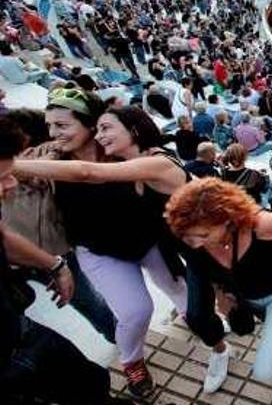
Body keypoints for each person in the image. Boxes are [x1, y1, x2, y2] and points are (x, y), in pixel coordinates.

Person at [13, 105, 190, 399]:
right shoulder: (49, 159)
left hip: (146, 240)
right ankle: (132, 360)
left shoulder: (124, 150)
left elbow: (90, 171)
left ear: (89, 124)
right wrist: (14, 167)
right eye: (49, 126)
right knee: (136, 310)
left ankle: (189, 315)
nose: (54, 133)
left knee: (177, 286)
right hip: (100, 251)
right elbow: (78, 174)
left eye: (62, 125)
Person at [0, 117, 131, 405]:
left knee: (91, 309)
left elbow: (3, 235)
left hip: (25, 326)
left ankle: (128, 353)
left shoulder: (51, 154)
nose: (8, 183)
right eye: (1, 178)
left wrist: (55, 265)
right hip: (10, 367)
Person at [165, 178, 272, 398]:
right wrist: (222, 296)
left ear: (226, 219)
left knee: (264, 369)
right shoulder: (194, 242)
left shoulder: (263, 225)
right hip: (249, 296)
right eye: (189, 238)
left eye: (203, 235)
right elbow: (207, 272)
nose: (195, 244)